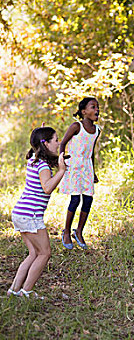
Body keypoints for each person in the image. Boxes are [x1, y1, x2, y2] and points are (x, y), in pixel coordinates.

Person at [8, 127, 67, 298]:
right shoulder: (42, 166)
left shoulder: (34, 158)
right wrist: (62, 171)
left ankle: (14, 290)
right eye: (56, 140)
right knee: (45, 253)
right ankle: (26, 292)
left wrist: (40, 134)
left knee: (34, 253)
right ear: (46, 143)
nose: (58, 143)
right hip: (30, 215)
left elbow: (41, 147)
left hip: (20, 212)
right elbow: (47, 187)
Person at [59, 97, 101, 249]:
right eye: (93, 107)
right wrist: (61, 161)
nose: (97, 109)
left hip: (87, 167)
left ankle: (79, 231)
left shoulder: (97, 130)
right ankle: (66, 231)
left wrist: (94, 172)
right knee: (75, 200)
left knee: (88, 200)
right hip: (74, 166)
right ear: (84, 112)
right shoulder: (76, 126)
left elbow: (91, 153)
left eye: (97, 107)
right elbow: (63, 143)